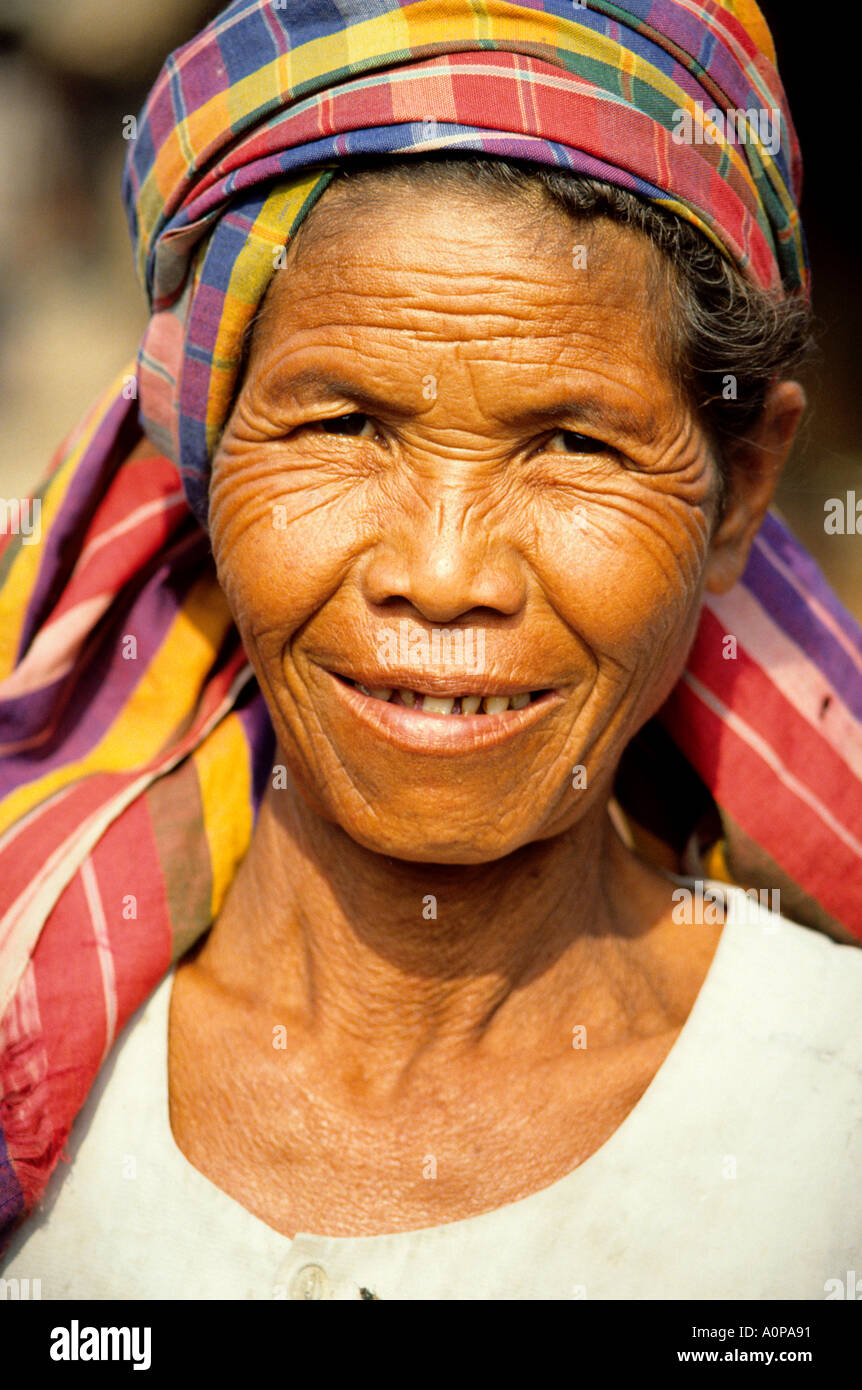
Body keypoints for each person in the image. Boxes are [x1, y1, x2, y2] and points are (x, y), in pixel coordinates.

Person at [1, 0, 860, 1300]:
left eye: (574, 446)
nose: (445, 573)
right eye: (343, 424)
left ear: (736, 490)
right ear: (200, 444)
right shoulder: (33, 1059)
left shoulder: (827, 1123)